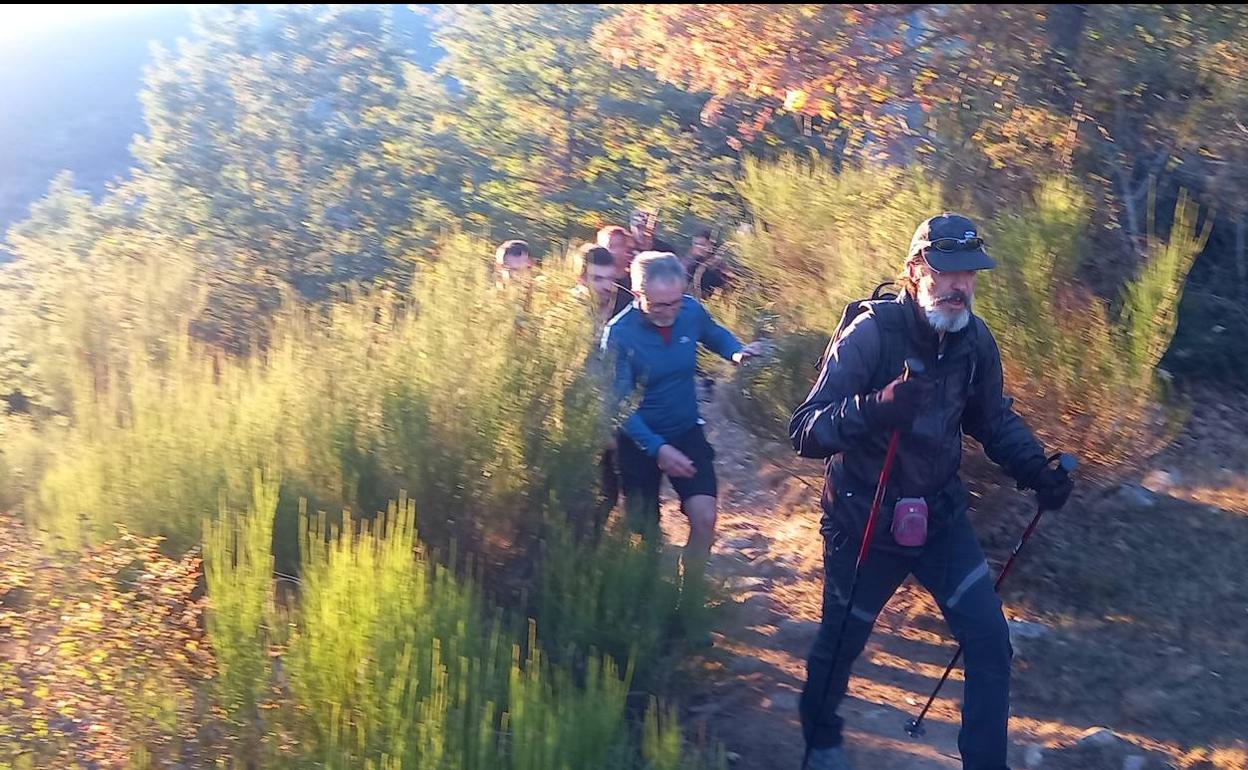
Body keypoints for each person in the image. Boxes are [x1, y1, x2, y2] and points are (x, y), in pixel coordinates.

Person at [788, 214, 1074, 770]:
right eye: (946, 271)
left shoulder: (975, 340)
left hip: (940, 520)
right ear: (916, 269)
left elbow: (992, 420)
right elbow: (805, 429)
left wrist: (1037, 470)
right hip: (862, 522)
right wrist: (875, 409)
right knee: (841, 643)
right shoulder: (872, 334)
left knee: (990, 642)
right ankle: (820, 744)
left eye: (970, 273)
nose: (959, 284)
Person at [602, 251, 765, 628]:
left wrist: (736, 352)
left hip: (684, 428)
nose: (669, 311)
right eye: (659, 304)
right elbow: (620, 407)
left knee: (705, 517)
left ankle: (687, 606)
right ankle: (645, 615)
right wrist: (659, 451)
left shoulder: (689, 310)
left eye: (675, 302)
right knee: (646, 536)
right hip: (638, 440)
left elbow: (714, 333)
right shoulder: (619, 335)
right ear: (637, 292)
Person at [684, 229, 729, 299]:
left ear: (710, 246)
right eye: (695, 244)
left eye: (701, 245)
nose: (697, 247)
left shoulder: (719, 264)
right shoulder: (689, 262)